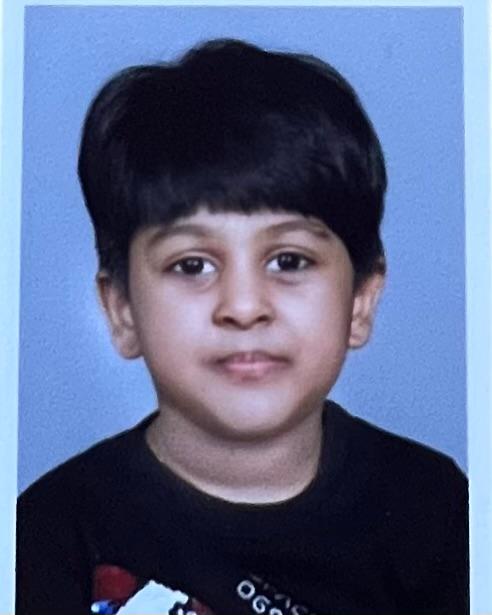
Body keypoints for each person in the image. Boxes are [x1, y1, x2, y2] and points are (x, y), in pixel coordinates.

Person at [16, 39, 468, 615]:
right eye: (192, 266)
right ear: (121, 309)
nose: (244, 306)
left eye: (289, 261)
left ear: (360, 300)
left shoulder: (435, 511)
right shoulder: (51, 534)